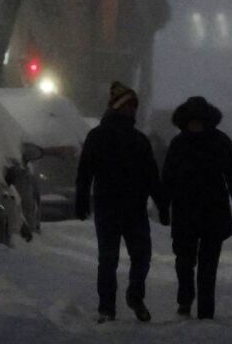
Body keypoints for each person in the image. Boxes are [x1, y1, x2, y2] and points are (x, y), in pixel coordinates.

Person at [75, 81, 165, 324]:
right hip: (110, 206)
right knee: (109, 258)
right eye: (129, 106)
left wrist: (162, 203)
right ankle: (107, 307)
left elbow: (152, 176)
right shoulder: (100, 137)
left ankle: (133, 297)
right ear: (117, 107)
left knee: (140, 257)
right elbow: (85, 172)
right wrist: (82, 198)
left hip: (132, 207)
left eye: (134, 107)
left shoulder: (137, 140)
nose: (132, 111)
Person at [161, 96, 232, 320]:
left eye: (199, 120)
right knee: (185, 261)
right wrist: (163, 204)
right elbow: (168, 178)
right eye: (193, 120)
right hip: (199, 210)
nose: (196, 125)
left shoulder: (183, 144)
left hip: (201, 211)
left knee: (205, 265)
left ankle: (203, 308)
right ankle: (187, 298)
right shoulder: (214, 142)